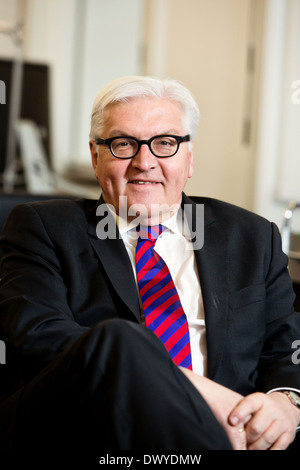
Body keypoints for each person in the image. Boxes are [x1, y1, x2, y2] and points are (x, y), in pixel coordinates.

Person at [0, 76, 300, 458]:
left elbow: (287, 344)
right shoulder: (43, 227)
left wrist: (285, 404)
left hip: (239, 435)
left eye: (165, 143)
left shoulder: (253, 237)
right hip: (88, 429)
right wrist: (207, 399)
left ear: (189, 158)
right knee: (120, 339)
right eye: (123, 144)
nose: (145, 163)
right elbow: (38, 336)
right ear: (96, 156)